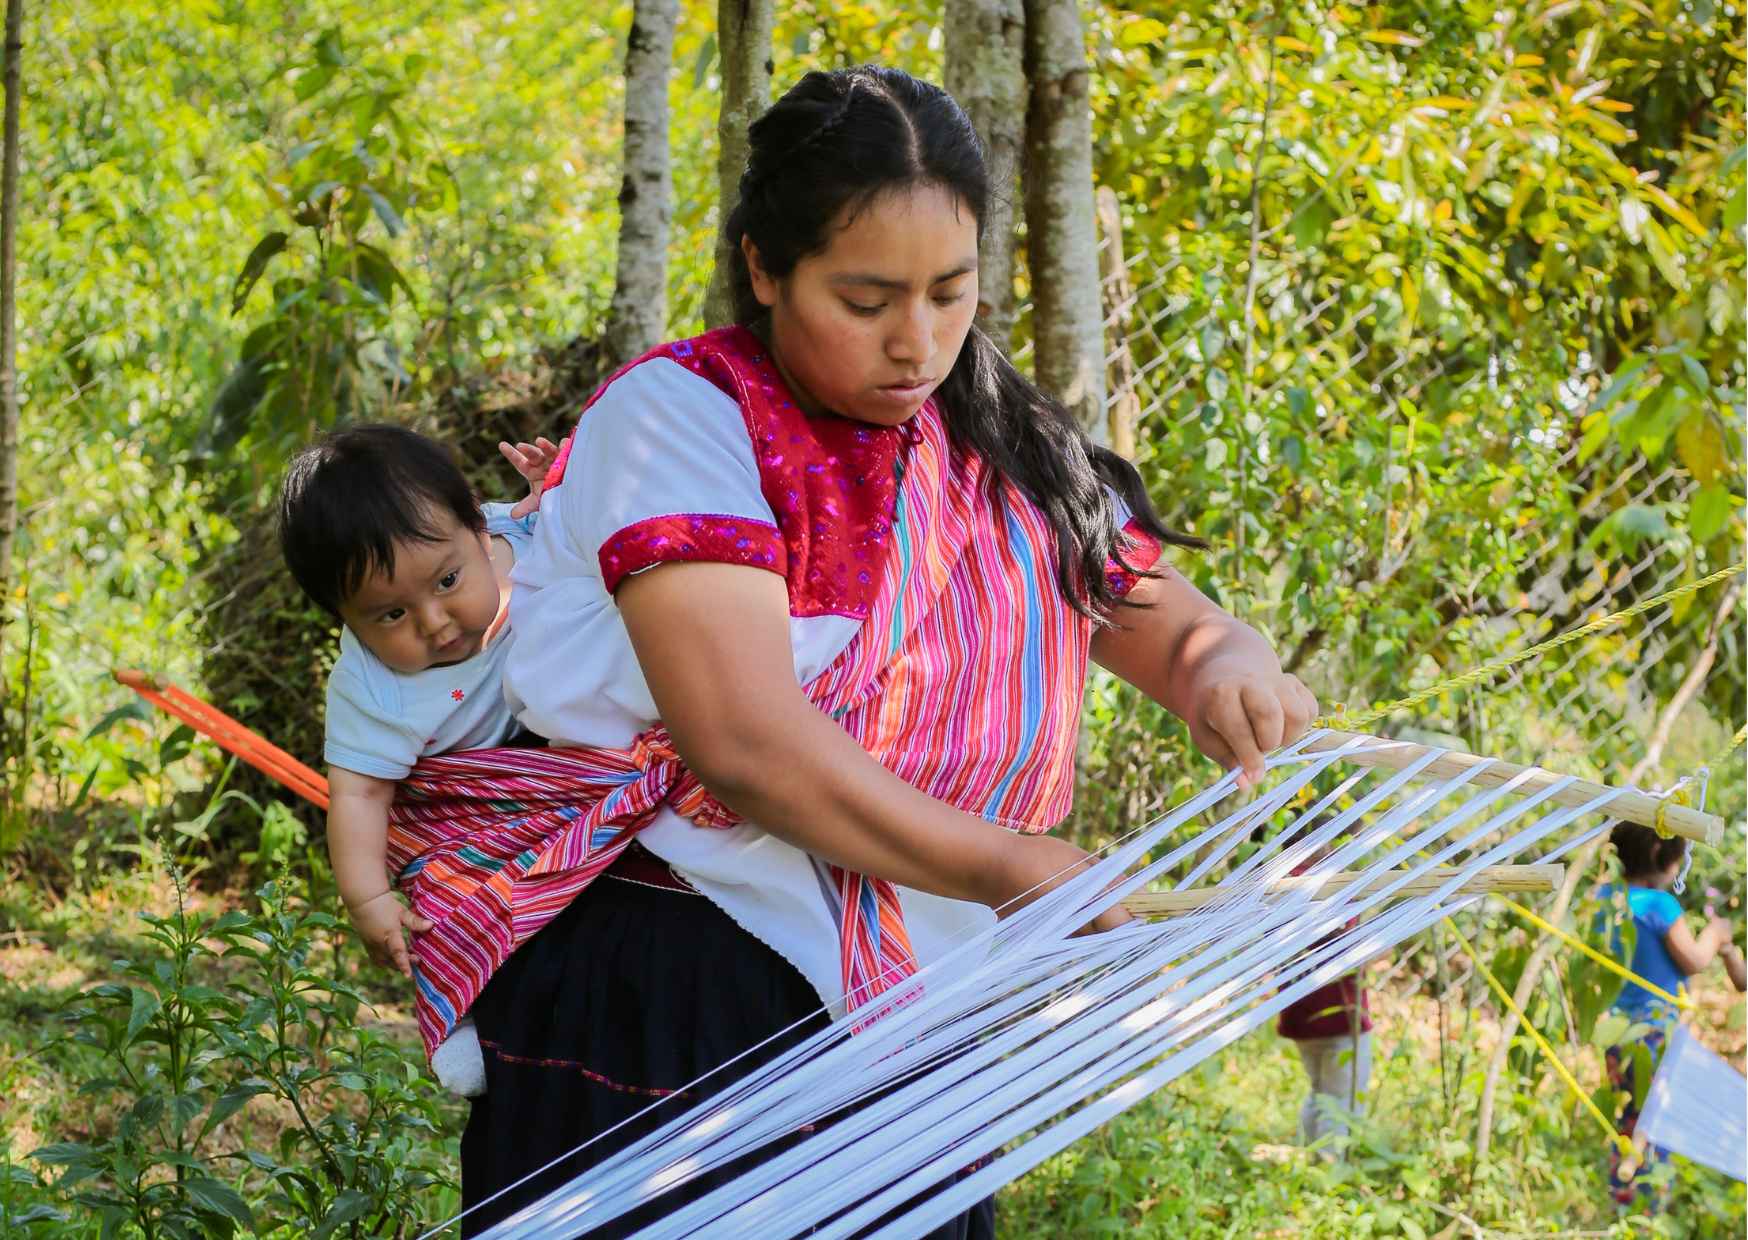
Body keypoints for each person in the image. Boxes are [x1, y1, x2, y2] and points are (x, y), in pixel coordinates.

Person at [409, 66, 1315, 1236]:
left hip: (909, 1006)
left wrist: (1223, 668)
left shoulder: (1001, 443)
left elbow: (1175, 629)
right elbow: (743, 744)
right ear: (762, 270)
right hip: (680, 986)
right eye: (866, 298)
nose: (917, 342)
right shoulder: (681, 417)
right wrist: (1007, 865)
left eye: (951, 292)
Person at [277, 423, 556, 1095]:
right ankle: (460, 1016)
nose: (435, 622)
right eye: (390, 616)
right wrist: (368, 895)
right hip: (471, 812)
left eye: (448, 581)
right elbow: (359, 795)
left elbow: (594, 526)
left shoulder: (520, 533)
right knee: (445, 901)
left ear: (474, 527)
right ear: (343, 618)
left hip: (565, 753)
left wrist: (553, 488)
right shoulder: (373, 688)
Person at [1599, 821, 1745, 1206]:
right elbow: (1695, 959)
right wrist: (1715, 934)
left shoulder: (1605, 899)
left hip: (1616, 1031)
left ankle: (1623, 1199)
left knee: (1629, 1118)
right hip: (1655, 1033)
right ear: (1657, 853)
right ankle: (1645, 1206)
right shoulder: (1658, 905)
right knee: (1656, 1120)